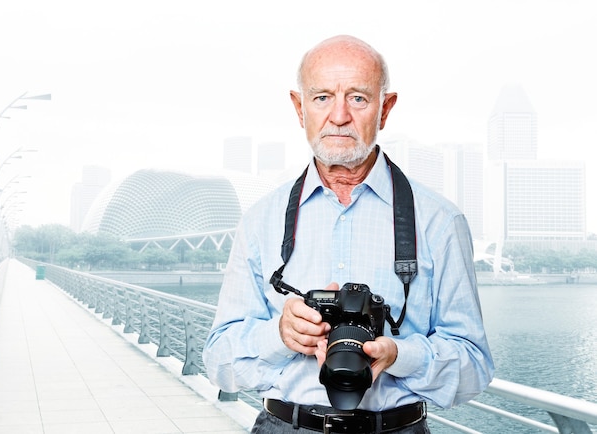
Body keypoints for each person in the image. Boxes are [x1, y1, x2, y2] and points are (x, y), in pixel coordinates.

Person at [203, 35, 494, 433]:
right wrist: (280, 334)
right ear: (299, 107)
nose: (338, 115)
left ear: (385, 108)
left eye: (358, 97)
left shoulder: (439, 222)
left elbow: (474, 369)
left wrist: (398, 354)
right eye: (322, 97)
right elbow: (219, 362)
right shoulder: (260, 220)